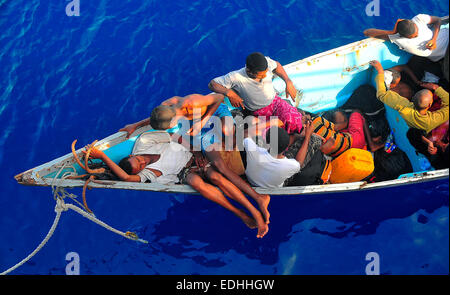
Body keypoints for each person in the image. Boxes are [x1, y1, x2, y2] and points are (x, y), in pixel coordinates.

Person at [85, 131, 269, 239]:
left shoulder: (144, 142)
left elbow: (176, 135)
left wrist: (195, 151)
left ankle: (255, 211)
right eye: (140, 167)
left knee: (218, 178)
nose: (143, 164)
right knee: (199, 185)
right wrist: (102, 157)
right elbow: (126, 178)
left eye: (139, 160)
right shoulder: (146, 173)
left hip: (195, 156)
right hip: (185, 173)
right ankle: (242, 214)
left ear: (132, 155)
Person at [208, 52, 303, 134]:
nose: (265, 75)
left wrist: (288, 81)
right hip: (258, 113)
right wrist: (229, 93)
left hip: (275, 102)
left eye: (266, 73)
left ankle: (295, 134)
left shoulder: (266, 62)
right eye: (261, 75)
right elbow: (212, 84)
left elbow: (277, 65)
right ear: (249, 71)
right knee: (270, 136)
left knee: (293, 119)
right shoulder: (236, 77)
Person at [370, 60, 449, 134]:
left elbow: (382, 94)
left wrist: (380, 71)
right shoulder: (431, 121)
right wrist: (436, 88)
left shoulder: (404, 107)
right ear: (429, 105)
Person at [243, 122, 314, 188]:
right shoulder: (290, 165)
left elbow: (245, 133)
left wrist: (269, 122)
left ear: (267, 142)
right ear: (287, 147)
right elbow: (299, 163)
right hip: (273, 188)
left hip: (251, 181)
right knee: (313, 140)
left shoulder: (254, 151)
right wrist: (307, 138)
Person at [363, 14, 448, 63]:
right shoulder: (398, 38)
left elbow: (438, 20)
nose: (417, 35)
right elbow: (366, 32)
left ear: (414, 24)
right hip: (443, 56)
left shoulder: (419, 19)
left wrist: (434, 39)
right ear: (403, 36)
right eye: (413, 37)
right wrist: (391, 32)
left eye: (416, 32)